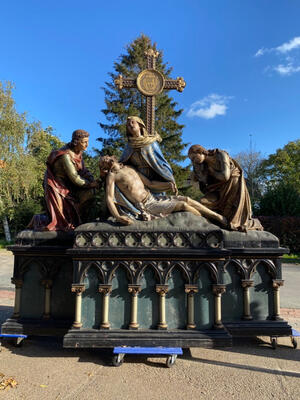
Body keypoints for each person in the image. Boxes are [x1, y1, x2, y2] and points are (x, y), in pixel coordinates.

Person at [99, 155, 227, 226]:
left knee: (186, 199)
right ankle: (209, 223)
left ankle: (216, 216)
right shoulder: (112, 176)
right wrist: (118, 216)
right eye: (102, 161)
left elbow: (149, 183)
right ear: (104, 167)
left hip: (153, 197)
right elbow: (110, 198)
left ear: (113, 157)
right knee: (183, 205)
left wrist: (168, 185)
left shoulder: (129, 167)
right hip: (146, 205)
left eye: (105, 157)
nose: (104, 158)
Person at [29, 129, 99, 231]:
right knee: (60, 218)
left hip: (70, 186)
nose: (87, 145)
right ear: (76, 142)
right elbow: (75, 178)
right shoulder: (65, 156)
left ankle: (78, 220)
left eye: (88, 142)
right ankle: (39, 220)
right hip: (58, 187)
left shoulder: (78, 152)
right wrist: (91, 184)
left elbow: (84, 171)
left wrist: (92, 180)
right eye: (84, 142)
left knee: (91, 193)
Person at [188, 145, 263, 232]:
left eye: (194, 157)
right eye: (191, 159)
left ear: (200, 151)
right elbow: (205, 185)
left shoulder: (220, 155)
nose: (193, 160)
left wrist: (212, 172)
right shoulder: (202, 165)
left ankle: (254, 223)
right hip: (217, 189)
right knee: (202, 203)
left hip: (232, 184)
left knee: (231, 219)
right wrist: (199, 175)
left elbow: (225, 176)